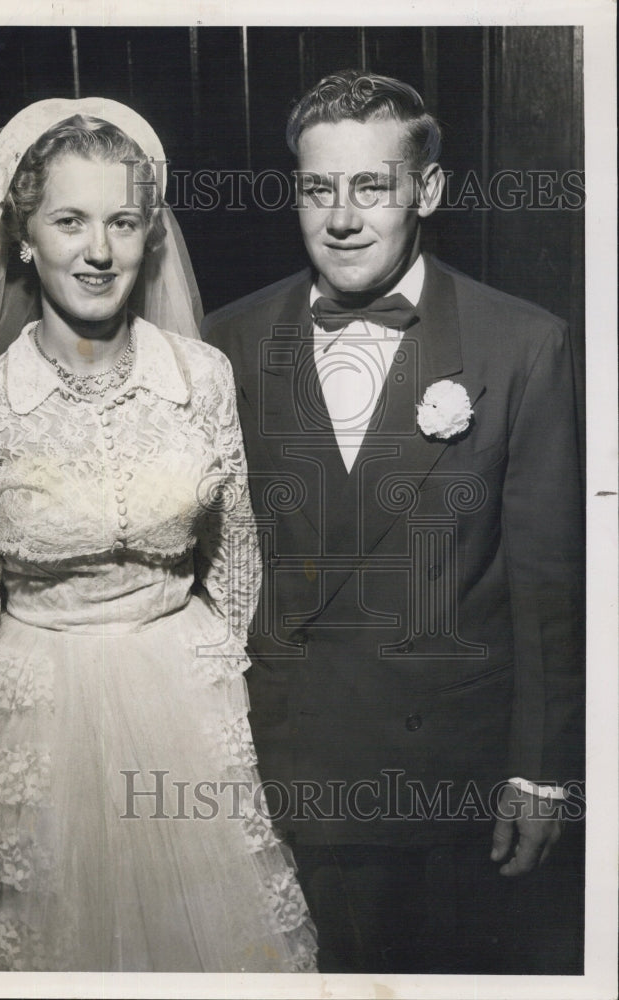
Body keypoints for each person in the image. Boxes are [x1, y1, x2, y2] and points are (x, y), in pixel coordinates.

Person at [0, 98, 316, 972]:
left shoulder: (202, 377)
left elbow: (236, 566)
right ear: (25, 237)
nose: (99, 250)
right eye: (69, 220)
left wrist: (233, 714)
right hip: (30, 712)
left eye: (122, 222)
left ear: (151, 238)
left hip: (186, 703)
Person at [202, 71, 585, 973]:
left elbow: (548, 586)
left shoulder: (522, 344)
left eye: (371, 185)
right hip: (279, 763)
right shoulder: (227, 340)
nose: (342, 217)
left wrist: (541, 771)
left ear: (429, 190)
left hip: (446, 776)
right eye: (316, 188)